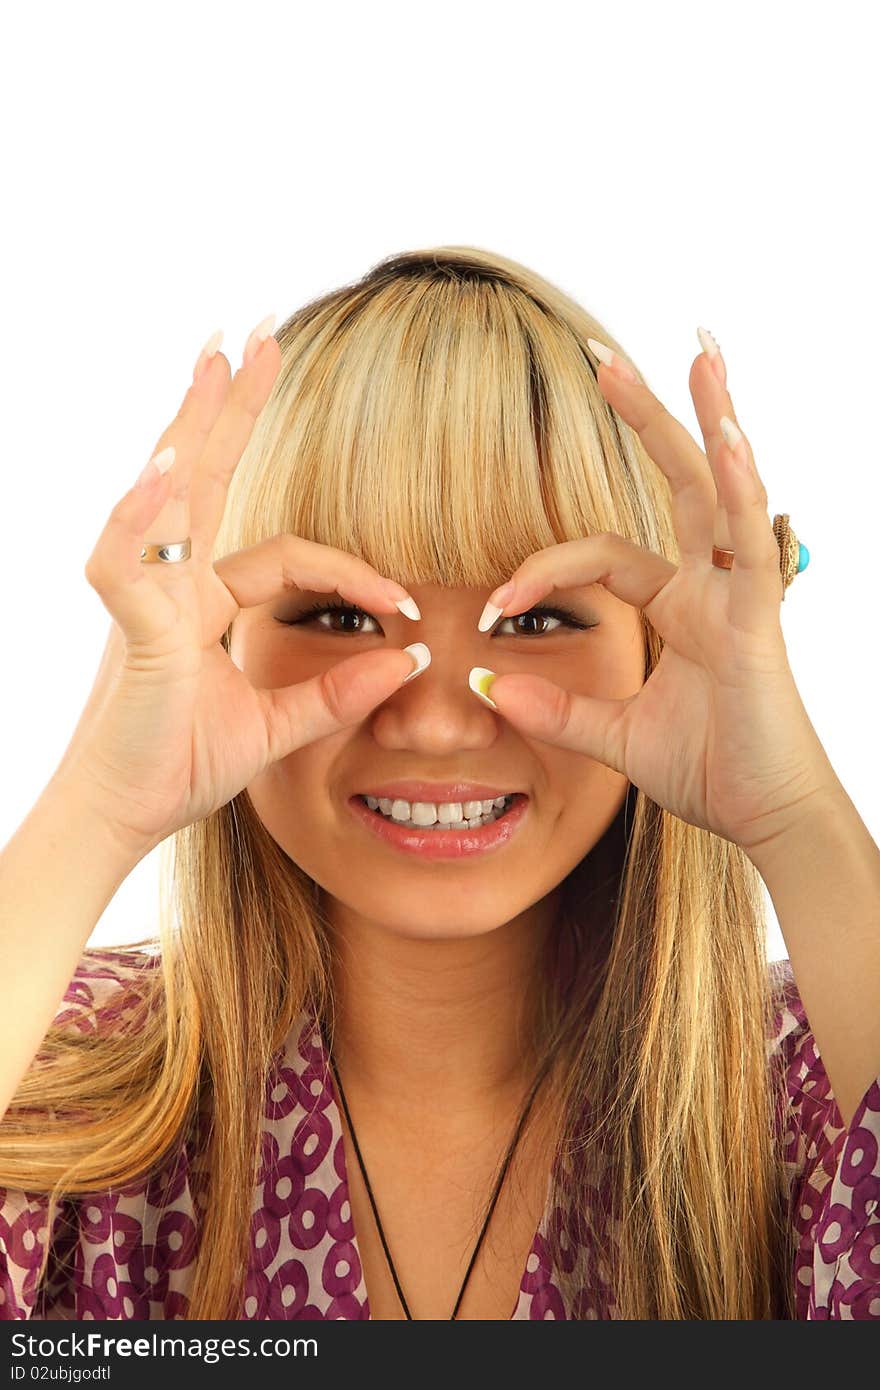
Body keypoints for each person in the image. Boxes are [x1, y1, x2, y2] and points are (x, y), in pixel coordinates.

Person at [0, 246, 878, 1321]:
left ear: (658, 652)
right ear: (223, 643)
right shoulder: (63, 1072)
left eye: (539, 619)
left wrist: (796, 814)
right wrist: (95, 810)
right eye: (336, 612)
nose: (434, 717)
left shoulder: (812, 1085)